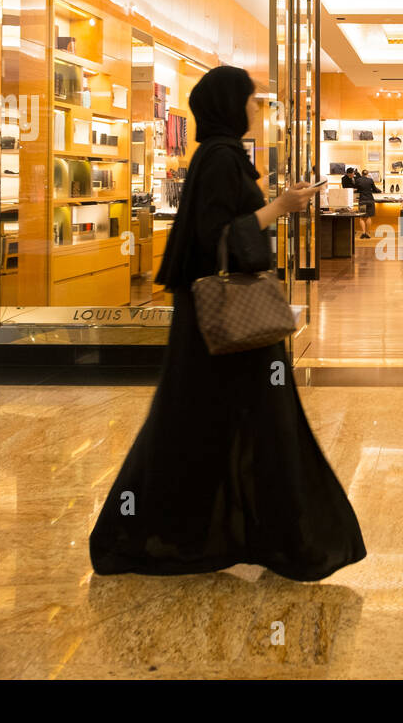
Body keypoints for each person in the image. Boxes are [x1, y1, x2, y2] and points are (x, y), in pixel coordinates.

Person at [89, 65, 366, 581]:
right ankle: (283, 538)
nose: (260, 110)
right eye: (254, 101)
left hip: (219, 317)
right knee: (242, 418)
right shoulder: (219, 157)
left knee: (203, 418)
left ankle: (237, 533)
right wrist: (280, 206)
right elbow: (216, 231)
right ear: (229, 106)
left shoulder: (218, 155)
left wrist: (281, 205)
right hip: (225, 317)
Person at [353, 168, 380, 239]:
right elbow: (375, 189)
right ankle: (367, 233)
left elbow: (356, 189)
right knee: (369, 217)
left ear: (362, 174)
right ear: (367, 174)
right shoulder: (370, 180)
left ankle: (363, 232)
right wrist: (378, 191)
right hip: (370, 200)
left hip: (362, 200)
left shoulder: (358, 180)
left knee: (361, 217)